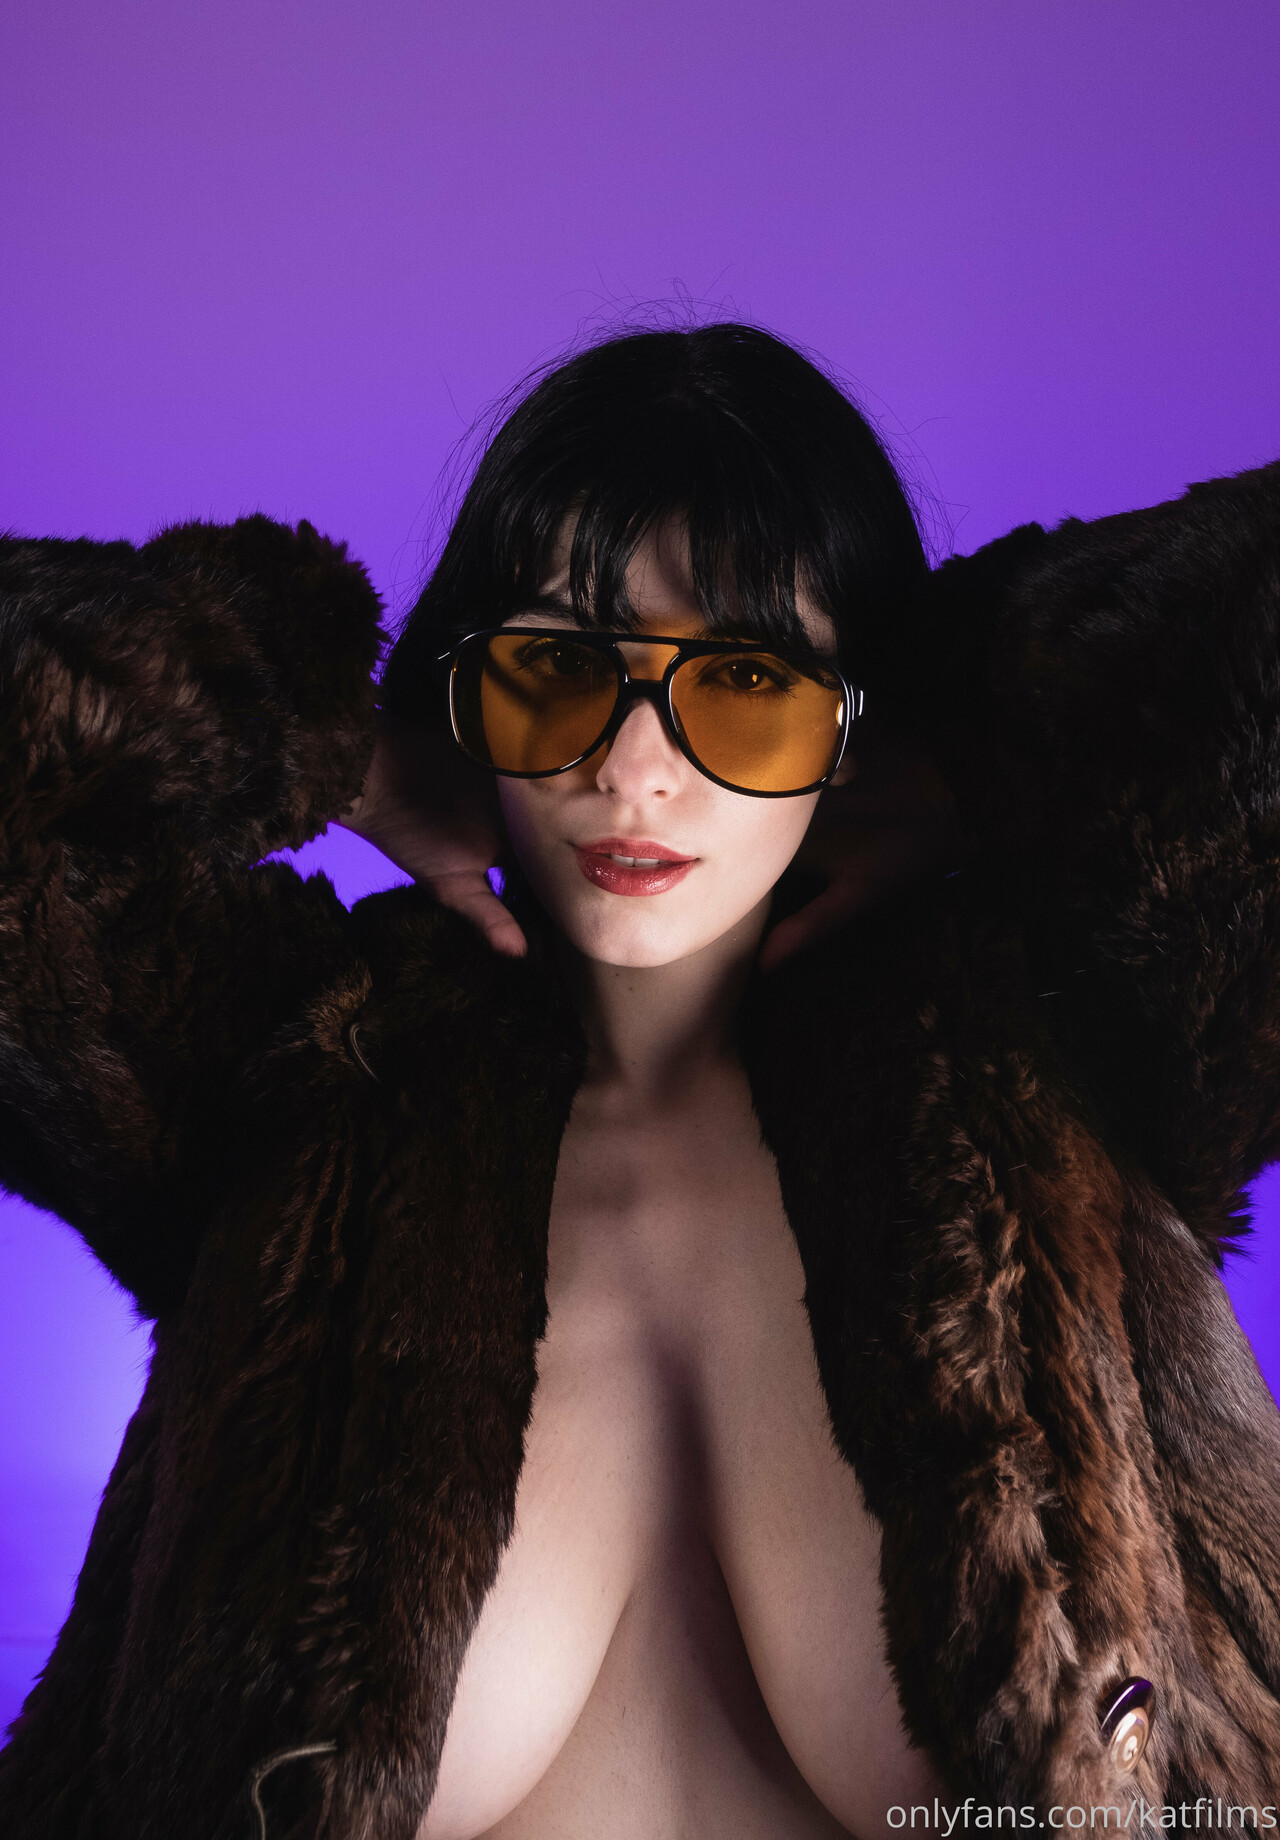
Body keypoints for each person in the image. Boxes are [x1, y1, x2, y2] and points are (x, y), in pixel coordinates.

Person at [0, 323, 1277, 1840]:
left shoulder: (1065, 1049)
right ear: (469, 695)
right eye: (558, 667)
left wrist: (984, 747)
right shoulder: (305, 1068)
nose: (635, 767)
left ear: (856, 722)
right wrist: (327, 750)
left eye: (746, 679)